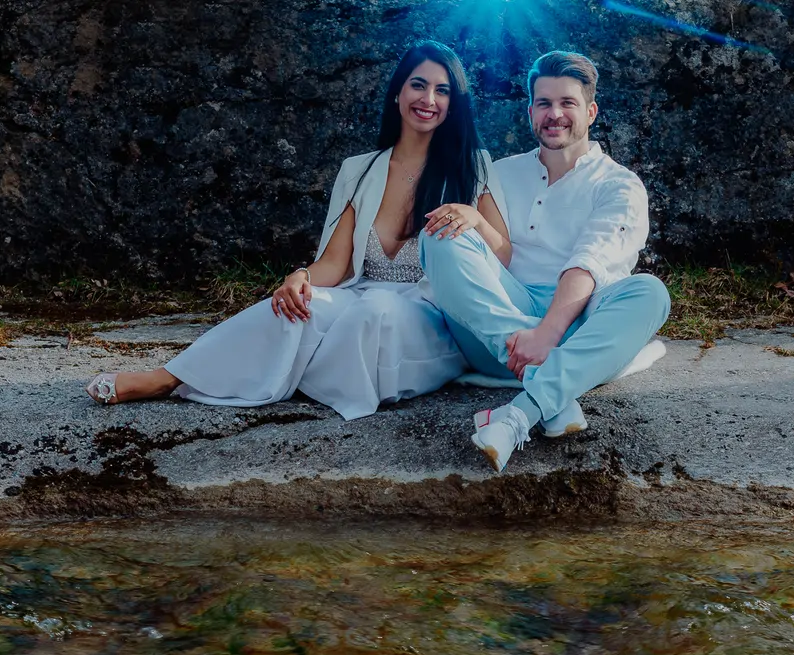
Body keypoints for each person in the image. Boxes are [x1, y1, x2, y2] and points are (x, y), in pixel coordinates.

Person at [85, 41, 512, 421]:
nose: (428, 99)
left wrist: (474, 219)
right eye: (419, 85)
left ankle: (300, 376)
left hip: (430, 316)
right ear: (398, 91)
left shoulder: (471, 166)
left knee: (374, 311)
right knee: (296, 308)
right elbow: (335, 262)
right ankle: (167, 378)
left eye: (442, 91)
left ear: (453, 105)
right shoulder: (359, 170)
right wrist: (301, 277)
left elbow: (504, 255)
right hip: (362, 292)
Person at [420, 50, 671, 472]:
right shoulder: (499, 172)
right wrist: (472, 219)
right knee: (442, 233)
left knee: (650, 292)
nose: (555, 114)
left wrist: (546, 336)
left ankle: (522, 412)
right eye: (544, 103)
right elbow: (474, 259)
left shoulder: (620, 185)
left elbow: (587, 265)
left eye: (567, 103)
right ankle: (550, 388)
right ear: (530, 110)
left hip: (573, 329)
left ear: (590, 111)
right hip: (495, 332)